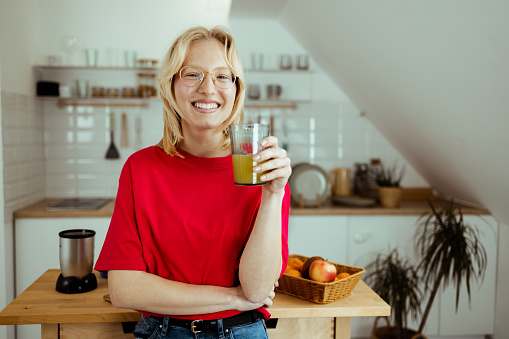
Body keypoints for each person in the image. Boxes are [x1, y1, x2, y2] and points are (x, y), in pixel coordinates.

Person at [94, 25, 292, 339]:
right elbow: (124, 289)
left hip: (243, 332)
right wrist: (231, 297)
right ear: (171, 85)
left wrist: (273, 194)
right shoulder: (141, 169)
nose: (208, 88)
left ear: (236, 90)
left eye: (222, 76)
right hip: (163, 332)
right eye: (192, 74)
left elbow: (256, 289)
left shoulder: (261, 171)